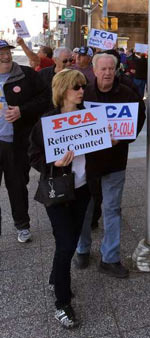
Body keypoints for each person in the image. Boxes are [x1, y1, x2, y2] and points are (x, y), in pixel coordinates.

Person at [28, 69, 91, 329]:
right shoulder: (47, 121)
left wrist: (109, 138)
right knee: (66, 245)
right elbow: (33, 155)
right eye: (76, 87)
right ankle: (62, 303)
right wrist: (51, 162)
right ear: (63, 89)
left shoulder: (89, 116)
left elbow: (96, 146)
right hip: (58, 190)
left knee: (72, 239)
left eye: (83, 86)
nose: (81, 91)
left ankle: (57, 276)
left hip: (83, 188)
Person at [74, 53, 146, 278]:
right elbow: (68, 119)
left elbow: (138, 120)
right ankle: (82, 249)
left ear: (116, 70)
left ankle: (110, 257)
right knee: (84, 210)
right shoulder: (82, 93)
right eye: (103, 69)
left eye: (110, 69)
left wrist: (123, 137)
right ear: (94, 70)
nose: (107, 73)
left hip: (114, 162)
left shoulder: (127, 94)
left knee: (112, 209)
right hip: (86, 163)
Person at [0, 40, 49, 241]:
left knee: (17, 185)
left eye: (7, 51)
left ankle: (22, 225)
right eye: (1, 52)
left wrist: (22, 110)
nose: (6, 55)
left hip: (17, 142)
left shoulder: (27, 75)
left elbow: (46, 98)